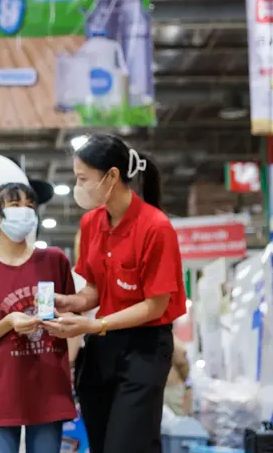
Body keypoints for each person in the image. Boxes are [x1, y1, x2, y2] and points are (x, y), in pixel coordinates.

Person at [42, 134, 187, 453]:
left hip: (144, 348)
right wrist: (72, 302)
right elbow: (95, 287)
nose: (78, 186)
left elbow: (154, 305)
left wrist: (94, 325)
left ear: (112, 177)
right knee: (101, 441)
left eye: (83, 179)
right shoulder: (91, 223)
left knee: (127, 445)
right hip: (102, 349)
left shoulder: (155, 227)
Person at [0, 182, 77, 453]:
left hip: (49, 389)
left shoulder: (55, 260)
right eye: (14, 205)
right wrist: (9, 322)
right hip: (3, 390)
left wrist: (62, 324)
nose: (24, 212)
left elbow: (74, 318)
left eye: (30, 205)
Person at [164, 334, 192, 416]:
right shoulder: (169, 339)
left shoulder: (169, 340)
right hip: (171, 386)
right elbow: (182, 363)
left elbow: (181, 362)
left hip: (170, 386)